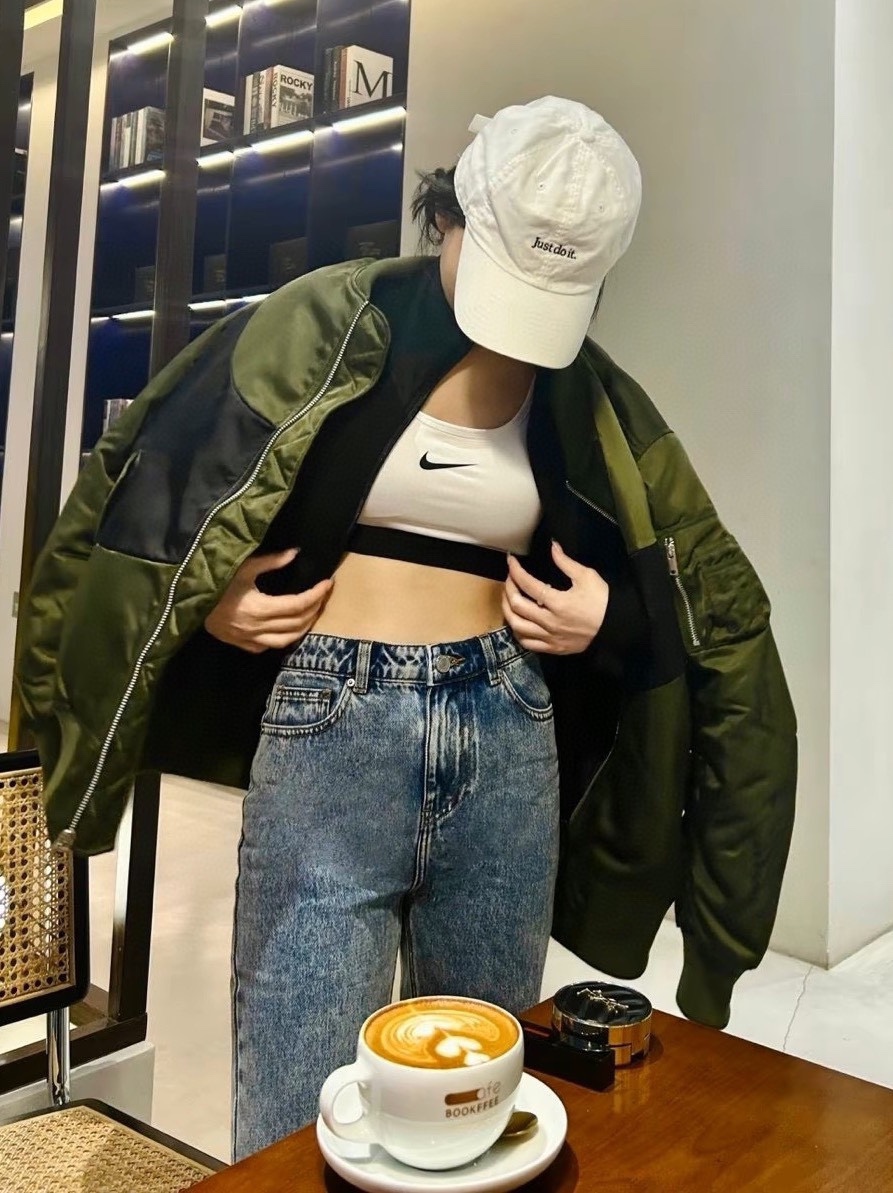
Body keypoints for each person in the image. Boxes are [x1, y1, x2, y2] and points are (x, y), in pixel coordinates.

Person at [16, 96, 797, 1161]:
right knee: (297, 1105)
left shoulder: (593, 399)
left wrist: (607, 618)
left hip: (507, 730)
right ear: (447, 215)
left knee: (478, 1101)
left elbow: (705, 606)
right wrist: (213, 599)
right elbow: (143, 503)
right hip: (330, 724)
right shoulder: (315, 324)